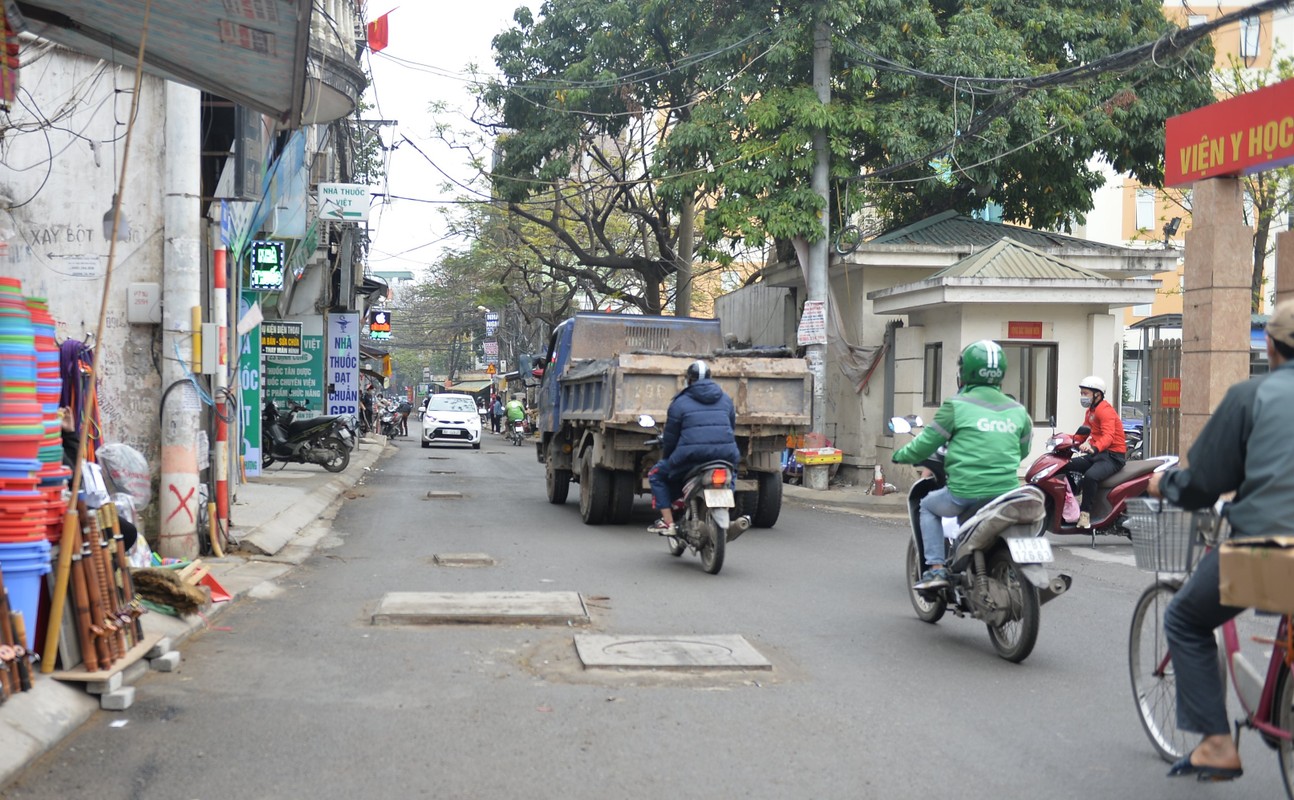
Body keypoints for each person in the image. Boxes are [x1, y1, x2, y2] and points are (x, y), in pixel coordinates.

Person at [1146, 299, 1294, 783]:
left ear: (1270, 345)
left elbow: (1202, 482)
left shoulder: (1251, 397)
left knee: (1186, 618)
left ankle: (1215, 744)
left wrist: (1163, 484)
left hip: (1271, 549)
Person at [892, 340, 1033, 590]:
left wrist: (901, 455)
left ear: (964, 373)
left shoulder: (956, 406)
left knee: (927, 506)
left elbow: (926, 444)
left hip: (965, 492)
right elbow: (1022, 451)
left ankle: (936, 569)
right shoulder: (1019, 411)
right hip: (1006, 494)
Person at [646, 360, 740, 535]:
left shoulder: (679, 403)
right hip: (725, 455)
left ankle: (669, 524)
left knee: (656, 475)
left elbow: (671, 438)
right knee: (731, 474)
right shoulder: (726, 400)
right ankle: (726, 506)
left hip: (691, 458)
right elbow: (731, 428)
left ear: (689, 380)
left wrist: (668, 457)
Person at [1066, 375, 1126, 528]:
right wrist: (1065, 440)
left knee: (1091, 477)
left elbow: (1108, 436)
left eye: (1085, 393)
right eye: (1081, 393)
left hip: (1112, 456)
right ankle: (1070, 504)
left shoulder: (1105, 411)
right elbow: (1083, 433)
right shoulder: (1090, 411)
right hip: (1097, 454)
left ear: (1097, 394)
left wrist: (1093, 448)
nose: (1082, 397)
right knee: (1066, 465)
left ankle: (1085, 515)